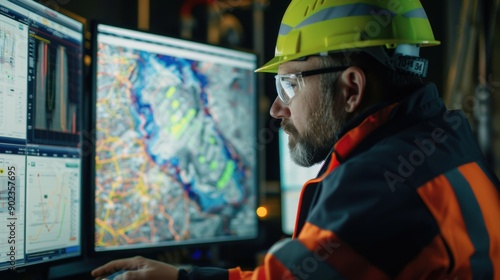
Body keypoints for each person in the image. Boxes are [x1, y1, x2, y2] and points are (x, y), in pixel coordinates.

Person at [92, 0, 500, 279]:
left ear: (351, 89)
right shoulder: (443, 137)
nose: (277, 109)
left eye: (289, 84)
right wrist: (185, 276)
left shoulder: (378, 190)